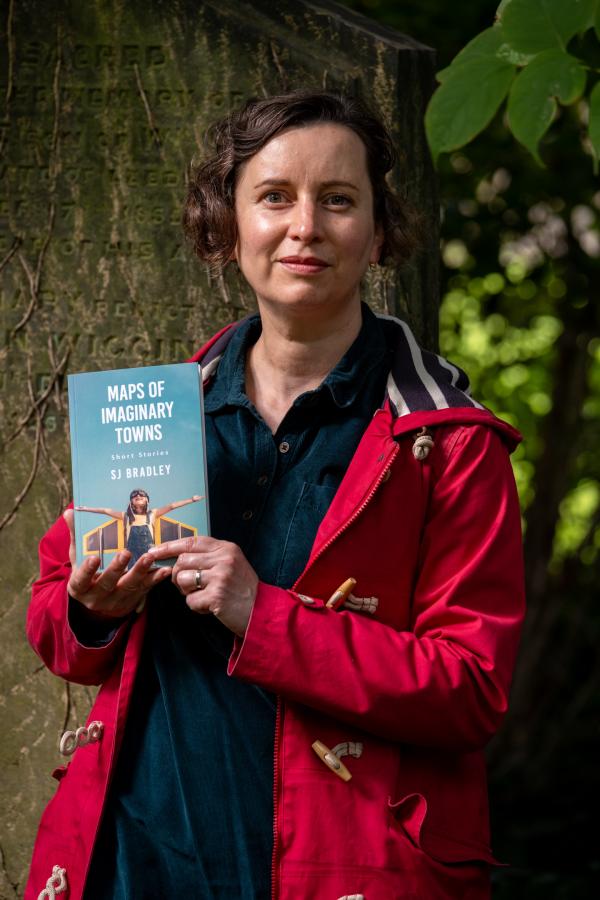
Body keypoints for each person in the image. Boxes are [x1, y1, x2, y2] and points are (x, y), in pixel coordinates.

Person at [25, 90, 525, 900]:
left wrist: (264, 615)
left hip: (337, 866)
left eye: (338, 199)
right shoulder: (154, 413)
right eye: (275, 197)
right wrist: (95, 610)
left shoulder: (449, 445)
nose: (305, 227)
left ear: (377, 227)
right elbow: (57, 622)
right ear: (229, 223)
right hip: (135, 856)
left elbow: (470, 691)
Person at [75, 489, 205, 568]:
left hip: (149, 550)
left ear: (147, 501)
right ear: (131, 502)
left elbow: (171, 506)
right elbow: (104, 510)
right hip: (132, 552)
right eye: (135, 497)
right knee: (133, 573)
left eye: (142, 496)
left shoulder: (152, 514)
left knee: (151, 571)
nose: (138, 497)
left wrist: (191, 500)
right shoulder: (125, 516)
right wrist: (86, 509)